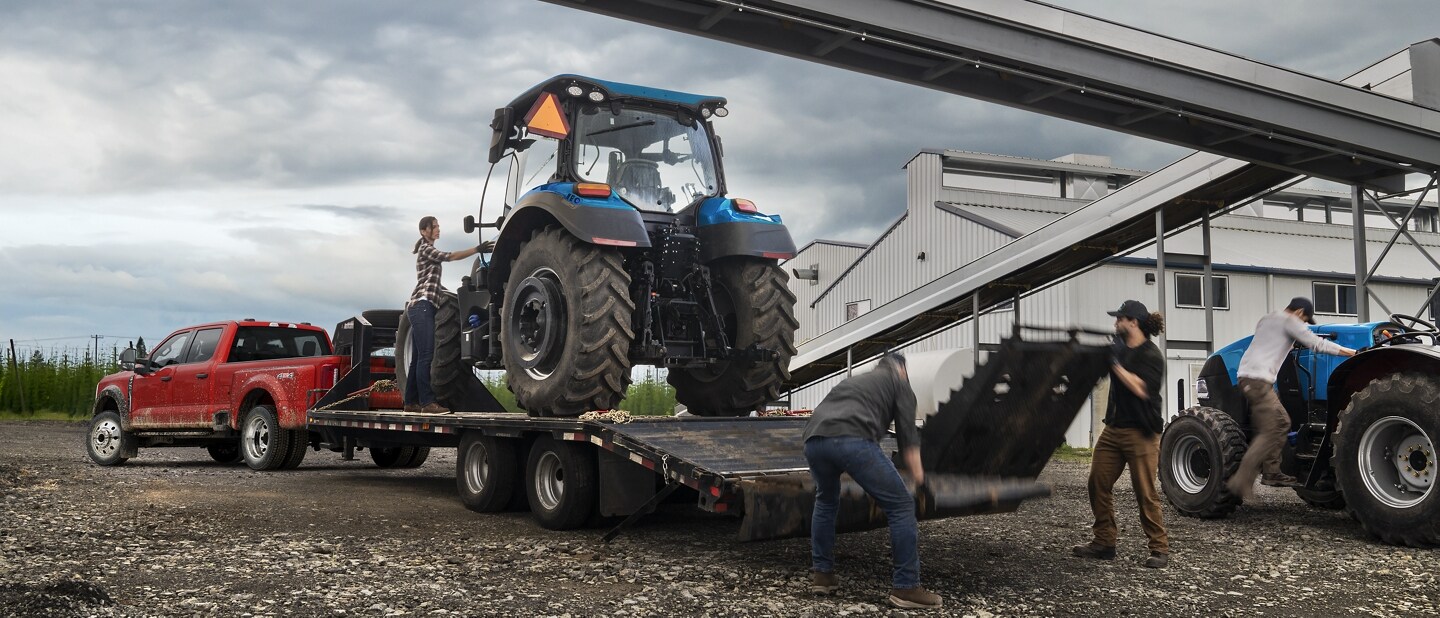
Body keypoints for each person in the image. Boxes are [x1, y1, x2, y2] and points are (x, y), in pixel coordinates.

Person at [803, 352, 942, 610]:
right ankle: (906, 587)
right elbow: (908, 442)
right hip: (852, 438)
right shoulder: (900, 384)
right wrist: (922, 482)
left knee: (826, 500)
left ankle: (822, 575)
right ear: (902, 370)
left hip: (814, 439)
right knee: (901, 506)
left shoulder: (854, 381)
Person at [1225, 297, 1356, 497]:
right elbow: (1316, 344)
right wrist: (1351, 353)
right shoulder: (1290, 321)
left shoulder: (1268, 319)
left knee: (1274, 425)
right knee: (1277, 425)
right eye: (1304, 320)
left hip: (1250, 379)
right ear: (1299, 312)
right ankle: (1243, 480)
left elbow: (1271, 343)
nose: (1303, 324)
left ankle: (1271, 471)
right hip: (1258, 381)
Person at [1073, 300, 1170, 568]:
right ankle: (1104, 542)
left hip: (1141, 433)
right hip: (1113, 430)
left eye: (1119, 319)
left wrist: (1114, 364)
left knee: (1145, 492)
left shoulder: (1151, 355)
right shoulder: (1117, 347)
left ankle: (1159, 548)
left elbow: (1140, 388)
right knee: (1097, 482)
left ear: (1133, 322)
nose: (1115, 323)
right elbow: (1094, 370)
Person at [405, 216, 493, 414]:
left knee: (418, 357)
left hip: (423, 306)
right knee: (426, 355)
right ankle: (427, 403)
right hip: (422, 306)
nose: (438, 229)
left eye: (438, 226)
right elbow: (450, 257)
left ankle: (410, 402)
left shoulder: (426, 250)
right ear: (423, 231)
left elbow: (431, 280)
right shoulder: (426, 249)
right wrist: (477, 250)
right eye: (434, 227)